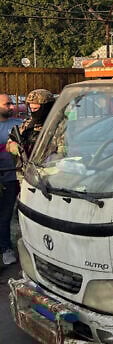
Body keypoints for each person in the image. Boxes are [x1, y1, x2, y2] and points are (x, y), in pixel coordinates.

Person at [0, 94, 23, 266]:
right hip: (2, 178)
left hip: (14, 178)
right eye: (7, 104)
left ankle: (6, 248)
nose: (12, 106)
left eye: (11, 103)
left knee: (7, 216)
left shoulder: (18, 125)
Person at [7, 89, 55, 162]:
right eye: (31, 108)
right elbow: (10, 143)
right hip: (26, 167)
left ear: (46, 108)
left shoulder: (57, 124)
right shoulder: (27, 123)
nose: (33, 112)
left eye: (36, 108)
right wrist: (12, 146)